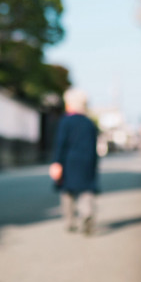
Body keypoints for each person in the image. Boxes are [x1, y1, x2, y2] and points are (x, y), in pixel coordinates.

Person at [49, 88, 99, 235]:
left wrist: (57, 162)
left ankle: (70, 221)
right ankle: (87, 214)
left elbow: (61, 143)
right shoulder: (89, 123)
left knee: (67, 190)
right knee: (86, 190)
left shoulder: (65, 121)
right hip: (88, 161)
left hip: (69, 161)